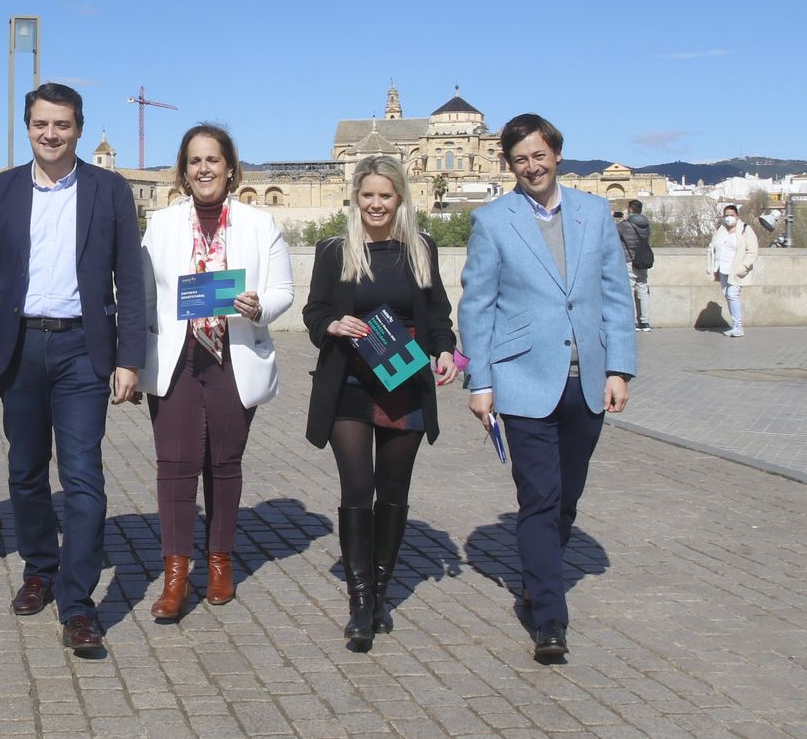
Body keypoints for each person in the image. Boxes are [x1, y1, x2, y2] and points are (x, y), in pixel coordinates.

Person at [0, 82, 145, 658]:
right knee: (25, 472)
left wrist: (129, 358)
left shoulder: (109, 190)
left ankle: (78, 603)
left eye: (62, 124)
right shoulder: (1, 191)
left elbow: (130, 280)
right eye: (41, 124)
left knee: (84, 474)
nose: (51, 134)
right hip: (20, 347)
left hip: (82, 351)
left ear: (79, 129)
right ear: (27, 126)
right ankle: (39, 568)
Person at [461, 113, 635, 663]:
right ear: (509, 166)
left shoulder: (593, 212)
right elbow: (477, 304)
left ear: (556, 153)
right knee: (538, 497)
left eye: (539, 155)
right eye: (520, 160)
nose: (531, 167)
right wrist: (480, 381)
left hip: (586, 377)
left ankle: (540, 577)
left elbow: (614, 295)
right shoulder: (493, 221)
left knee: (566, 498)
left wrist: (619, 369)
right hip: (523, 378)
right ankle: (550, 619)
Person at [138, 124, 294, 623]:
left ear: (231, 167)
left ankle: (221, 560)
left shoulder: (259, 223)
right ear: (183, 172)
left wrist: (257, 306)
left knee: (224, 465)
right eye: (194, 161)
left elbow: (283, 290)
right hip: (178, 358)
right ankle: (176, 574)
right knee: (175, 466)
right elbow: (143, 294)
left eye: (213, 160)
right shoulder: (161, 225)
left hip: (234, 353)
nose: (204, 169)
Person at [302, 156, 458, 650]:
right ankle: (361, 600)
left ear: (400, 199)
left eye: (384, 196)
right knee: (357, 488)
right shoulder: (335, 250)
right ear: (355, 197)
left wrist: (446, 351)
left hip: (405, 378)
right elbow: (315, 310)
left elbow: (437, 315)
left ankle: (384, 588)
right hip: (349, 379)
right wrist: (331, 325)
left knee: (393, 491)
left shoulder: (421, 249)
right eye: (367, 195)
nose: (375, 204)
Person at [706, 203, 758, 338]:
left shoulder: (745, 229)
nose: (729, 218)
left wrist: (744, 266)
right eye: (726, 215)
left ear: (737, 216)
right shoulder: (721, 230)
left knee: (732, 294)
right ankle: (735, 326)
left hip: (736, 269)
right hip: (722, 268)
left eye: (731, 215)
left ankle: (738, 327)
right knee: (727, 295)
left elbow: (752, 250)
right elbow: (714, 246)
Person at [616, 199, 653, 332]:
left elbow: (614, 234)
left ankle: (632, 321)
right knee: (643, 289)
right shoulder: (647, 224)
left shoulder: (625, 225)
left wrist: (622, 220)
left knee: (630, 291)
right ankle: (645, 322)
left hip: (629, 259)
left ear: (630, 209)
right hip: (643, 259)